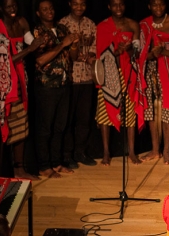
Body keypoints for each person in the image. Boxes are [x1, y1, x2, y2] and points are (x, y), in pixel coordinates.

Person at [0, 0, 44, 180]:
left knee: (22, 127)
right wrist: (31, 49)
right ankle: (9, 170)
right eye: (8, 6)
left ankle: (19, 169)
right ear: (0, 8)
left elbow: (32, 42)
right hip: (6, 85)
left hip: (21, 80)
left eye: (14, 5)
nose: (13, 9)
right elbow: (5, 61)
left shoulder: (21, 22)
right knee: (10, 127)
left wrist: (41, 43)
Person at [33, 0, 79, 178]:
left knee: (61, 126)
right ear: (38, 13)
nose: (49, 11)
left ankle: (56, 162)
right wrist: (63, 44)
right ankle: (44, 166)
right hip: (47, 86)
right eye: (44, 9)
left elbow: (72, 56)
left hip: (64, 84)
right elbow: (40, 60)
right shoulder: (37, 32)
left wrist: (73, 43)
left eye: (51, 8)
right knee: (46, 128)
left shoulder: (61, 29)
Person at [96, 0, 144, 166]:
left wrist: (128, 49)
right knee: (105, 114)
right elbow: (100, 53)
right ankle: (106, 152)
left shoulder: (132, 24)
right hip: (109, 75)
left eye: (121, 4)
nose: (118, 8)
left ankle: (131, 151)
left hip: (128, 73)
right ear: (109, 7)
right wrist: (115, 53)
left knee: (130, 114)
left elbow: (137, 52)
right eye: (114, 5)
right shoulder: (102, 27)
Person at [138, 0, 169, 164]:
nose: (158, 8)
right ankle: (155, 150)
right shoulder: (144, 24)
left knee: (167, 112)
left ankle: (166, 151)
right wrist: (152, 54)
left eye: (161, 4)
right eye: (154, 5)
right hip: (149, 71)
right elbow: (142, 53)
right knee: (150, 112)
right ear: (149, 6)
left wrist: (163, 51)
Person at [59, 0, 98, 169]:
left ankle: (80, 152)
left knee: (84, 118)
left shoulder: (90, 23)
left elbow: (95, 46)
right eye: (76, 4)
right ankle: (67, 155)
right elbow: (61, 49)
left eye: (82, 4)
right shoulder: (63, 24)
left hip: (87, 77)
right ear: (69, 4)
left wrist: (90, 54)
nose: (79, 7)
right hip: (70, 78)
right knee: (69, 119)